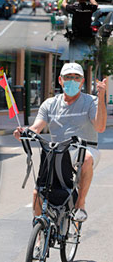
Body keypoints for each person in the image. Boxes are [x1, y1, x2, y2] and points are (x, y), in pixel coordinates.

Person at [14, 62, 107, 222]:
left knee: (86, 159)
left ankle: (80, 204)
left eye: (76, 77)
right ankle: (39, 238)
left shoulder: (91, 102)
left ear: (83, 82)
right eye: (68, 77)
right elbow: (36, 128)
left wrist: (101, 97)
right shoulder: (50, 104)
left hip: (84, 149)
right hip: (58, 152)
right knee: (38, 193)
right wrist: (23, 132)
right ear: (60, 80)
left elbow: (100, 127)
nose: (72, 80)